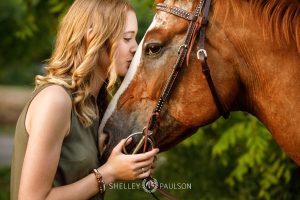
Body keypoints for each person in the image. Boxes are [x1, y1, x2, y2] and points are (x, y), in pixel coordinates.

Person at [10, 0, 159, 199]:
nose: (135, 47)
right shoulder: (56, 100)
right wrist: (109, 172)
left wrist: (125, 163)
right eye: (127, 38)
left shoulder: (93, 103)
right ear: (93, 38)